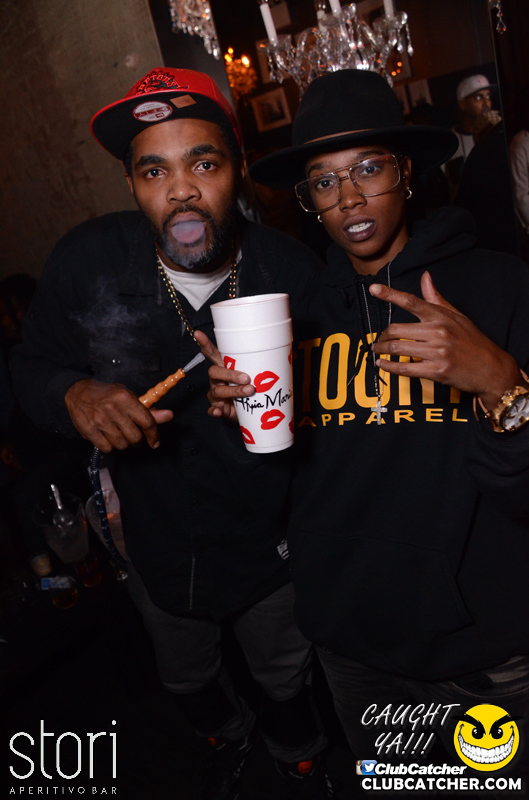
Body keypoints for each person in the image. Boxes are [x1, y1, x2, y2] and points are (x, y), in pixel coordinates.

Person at [10, 68, 335, 800]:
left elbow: (344, 416)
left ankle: (301, 755)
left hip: (268, 542)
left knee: (285, 672)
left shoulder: (291, 269)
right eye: (154, 171)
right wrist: (72, 392)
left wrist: (290, 402)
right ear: (131, 185)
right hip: (151, 540)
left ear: (237, 171)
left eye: (204, 164)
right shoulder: (88, 261)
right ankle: (227, 740)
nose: (181, 191)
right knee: (185, 675)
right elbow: (28, 366)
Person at [206, 69, 529, 778]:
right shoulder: (294, 317)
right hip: (352, 651)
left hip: (480, 654)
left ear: (406, 172)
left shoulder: (499, 287)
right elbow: (280, 497)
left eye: (368, 169)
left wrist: (499, 382)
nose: (347, 196)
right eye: (323, 182)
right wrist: (241, 423)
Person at [445, 74, 501, 192]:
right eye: (479, 98)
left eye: (488, 96)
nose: (486, 103)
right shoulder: (450, 141)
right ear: (463, 104)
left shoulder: (498, 133)